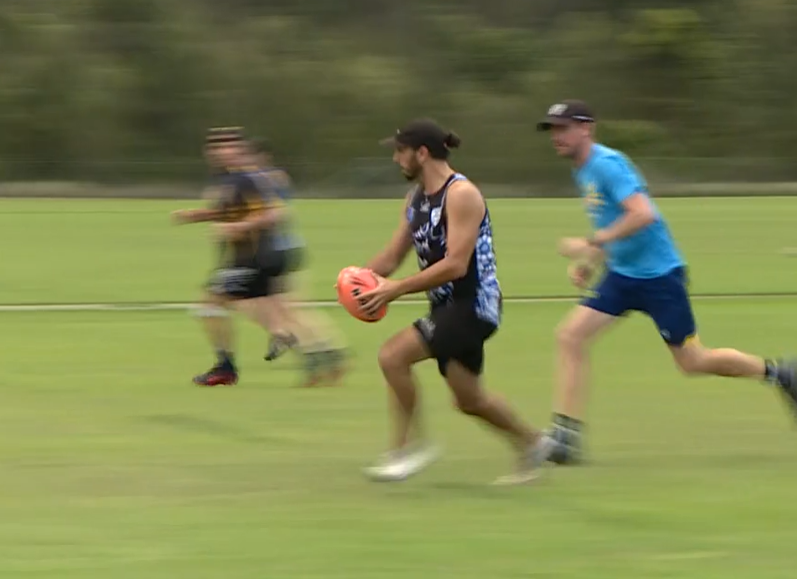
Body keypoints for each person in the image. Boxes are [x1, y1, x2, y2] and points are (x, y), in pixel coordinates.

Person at [535, 100, 797, 465]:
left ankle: (779, 373)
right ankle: (566, 439)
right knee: (570, 336)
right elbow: (614, 222)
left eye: (564, 128)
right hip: (622, 275)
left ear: (586, 128)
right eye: (553, 130)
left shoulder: (607, 165)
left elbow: (643, 214)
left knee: (693, 361)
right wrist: (593, 260)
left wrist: (591, 243)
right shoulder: (582, 170)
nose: (557, 137)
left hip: (659, 277)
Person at [353, 118, 551, 484]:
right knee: (469, 400)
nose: (396, 159)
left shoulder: (461, 194)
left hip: (475, 303)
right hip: (446, 307)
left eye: (400, 151)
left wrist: (395, 289)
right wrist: (357, 280)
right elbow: (394, 255)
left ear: (422, 153)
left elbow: (457, 265)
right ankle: (534, 443)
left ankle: (407, 448)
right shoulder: (414, 200)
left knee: (392, 356)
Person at [172, 127, 291, 387]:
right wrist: (196, 216)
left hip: (252, 258)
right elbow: (226, 212)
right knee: (240, 303)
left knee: (209, 306)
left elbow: (275, 214)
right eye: (217, 147)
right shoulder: (229, 180)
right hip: (244, 258)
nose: (222, 152)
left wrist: (239, 227)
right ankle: (280, 332)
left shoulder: (246, 179)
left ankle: (226, 367)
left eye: (229, 146)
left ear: (240, 151)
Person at [246, 137, 348, 386]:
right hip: (281, 250)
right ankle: (328, 354)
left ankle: (322, 356)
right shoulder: (267, 180)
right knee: (287, 309)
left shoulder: (266, 180)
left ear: (261, 157)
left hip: (278, 252)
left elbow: (275, 213)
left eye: (248, 156)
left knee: (280, 310)